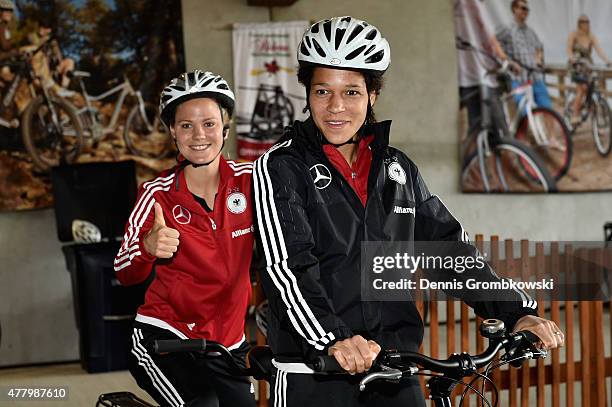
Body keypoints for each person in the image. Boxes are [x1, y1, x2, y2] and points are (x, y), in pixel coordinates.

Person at [253, 16, 564, 407]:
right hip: (316, 372)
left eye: (351, 92)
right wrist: (332, 339)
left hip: (394, 369)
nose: (336, 107)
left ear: (372, 95)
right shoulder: (280, 166)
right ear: (308, 93)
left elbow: (447, 250)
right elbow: (287, 266)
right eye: (322, 91)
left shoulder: (397, 169)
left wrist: (517, 311)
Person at [114, 70, 255, 407]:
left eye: (208, 123)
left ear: (225, 127)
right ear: (172, 132)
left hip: (228, 344)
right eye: (186, 125)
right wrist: (148, 247)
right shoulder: (156, 193)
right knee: (203, 403)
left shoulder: (254, 183)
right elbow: (123, 270)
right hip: (164, 337)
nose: (198, 135)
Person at [496, 0, 552, 110]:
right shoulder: (507, 28)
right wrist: (507, 60)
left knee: (548, 110)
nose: (525, 11)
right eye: (523, 8)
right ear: (514, 9)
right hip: (518, 78)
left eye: (527, 9)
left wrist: (538, 59)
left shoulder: (531, 31)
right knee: (524, 113)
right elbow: (494, 43)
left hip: (535, 77)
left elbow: (539, 47)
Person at [566, 14, 611, 125]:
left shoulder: (591, 36)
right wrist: (571, 58)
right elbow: (568, 48)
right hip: (576, 65)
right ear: (579, 23)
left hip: (587, 65)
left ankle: (594, 120)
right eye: (583, 22)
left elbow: (599, 50)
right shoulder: (574, 34)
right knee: (582, 89)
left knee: (592, 89)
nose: (585, 24)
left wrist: (607, 61)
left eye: (587, 22)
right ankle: (575, 114)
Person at [27, 18, 75, 89]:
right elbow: (34, 47)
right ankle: (47, 83)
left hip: (50, 68)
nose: (41, 29)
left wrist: (58, 61)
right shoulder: (32, 36)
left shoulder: (52, 41)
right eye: (41, 26)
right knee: (42, 56)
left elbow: (58, 55)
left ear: (49, 30)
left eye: (45, 27)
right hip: (38, 66)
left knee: (70, 61)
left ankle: (63, 87)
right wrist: (45, 40)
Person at [0, 0, 17, 83]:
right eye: (6, 10)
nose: (9, 13)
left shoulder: (5, 27)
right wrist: (17, 50)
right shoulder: (1, 26)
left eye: (11, 11)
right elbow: (4, 46)